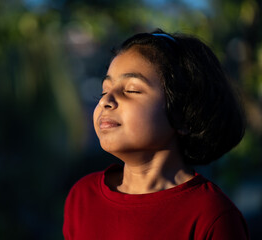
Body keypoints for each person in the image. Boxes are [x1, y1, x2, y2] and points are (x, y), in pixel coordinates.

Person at [63, 29, 250, 240]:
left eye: (131, 90)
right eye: (104, 90)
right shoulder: (82, 197)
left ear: (183, 116)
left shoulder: (212, 216)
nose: (106, 101)